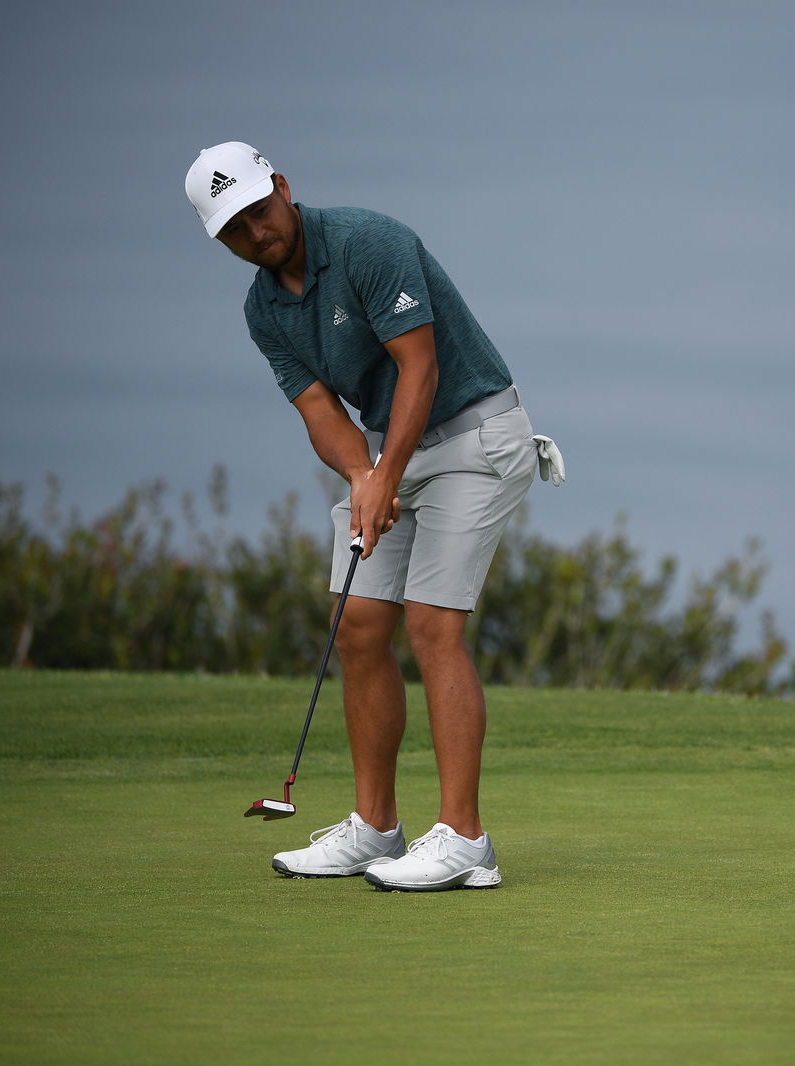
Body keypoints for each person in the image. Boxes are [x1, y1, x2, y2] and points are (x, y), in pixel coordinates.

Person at [184, 141, 563, 892]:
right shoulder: (264, 310)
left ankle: (465, 840)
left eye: (260, 210)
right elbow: (319, 410)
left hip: (476, 433)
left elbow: (416, 366)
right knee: (359, 621)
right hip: (399, 450)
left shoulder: (367, 241)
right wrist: (364, 474)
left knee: (430, 624)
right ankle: (374, 829)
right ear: (219, 239)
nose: (256, 231)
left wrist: (384, 474)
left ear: (283, 188)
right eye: (235, 227)